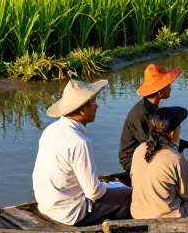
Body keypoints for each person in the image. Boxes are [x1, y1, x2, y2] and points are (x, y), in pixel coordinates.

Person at [32, 79, 132, 225]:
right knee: (128, 194)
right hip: (70, 213)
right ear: (82, 109)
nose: (96, 106)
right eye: (93, 102)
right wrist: (113, 186)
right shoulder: (80, 142)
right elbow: (94, 192)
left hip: (47, 205)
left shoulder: (51, 130)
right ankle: (120, 232)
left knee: (114, 186)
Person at [119, 64, 188, 173]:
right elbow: (156, 143)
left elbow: (163, 138)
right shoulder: (142, 114)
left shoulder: (151, 106)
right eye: (168, 85)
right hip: (133, 161)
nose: (170, 87)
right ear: (160, 92)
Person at [130, 106, 188, 219]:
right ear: (173, 133)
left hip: (138, 215)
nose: (180, 129)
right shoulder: (176, 159)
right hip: (169, 219)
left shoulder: (139, 150)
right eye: (179, 127)